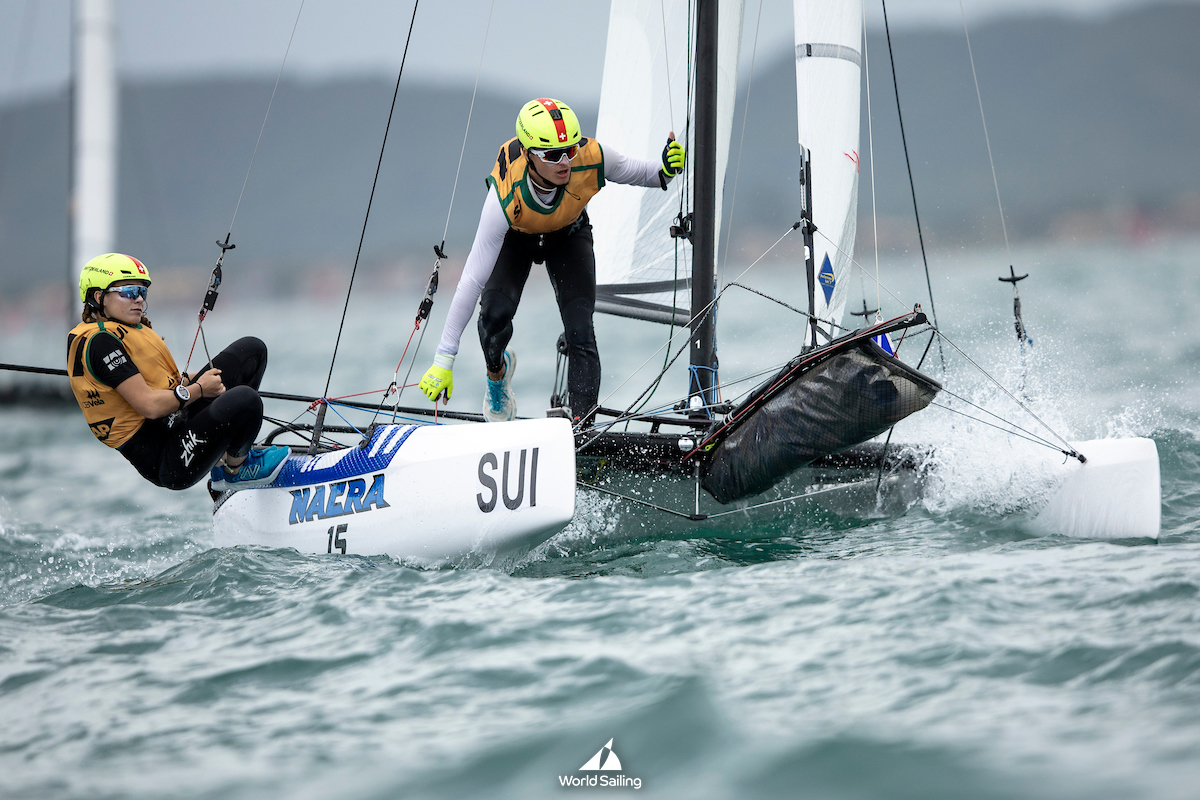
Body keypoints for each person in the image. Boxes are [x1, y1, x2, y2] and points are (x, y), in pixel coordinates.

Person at [418, 97, 685, 426]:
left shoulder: (592, 157)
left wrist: (668, 167)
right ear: (529, 153)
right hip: (516, 239)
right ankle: (497, 376)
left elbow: (651, 174)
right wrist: (444, 359)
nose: (565, 161)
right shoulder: (505, 193)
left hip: (568, 236)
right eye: (553, 154)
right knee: (493, 316)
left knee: (581, 331)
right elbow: (472, 279)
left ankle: (580, 430)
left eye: (570, 149)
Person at [67, 252, 289, 491]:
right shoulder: (101, 342)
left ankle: (226, 454)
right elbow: (150, 405)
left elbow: (162, 381)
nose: (139, 300)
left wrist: (197, 381)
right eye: (129, 292)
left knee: (251, 351)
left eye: (142, 292)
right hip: (167, 458)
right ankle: (236, 470)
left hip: (179, 420)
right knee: (246, 399)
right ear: (99, 297)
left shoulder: (124, 329)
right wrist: (201, 389)